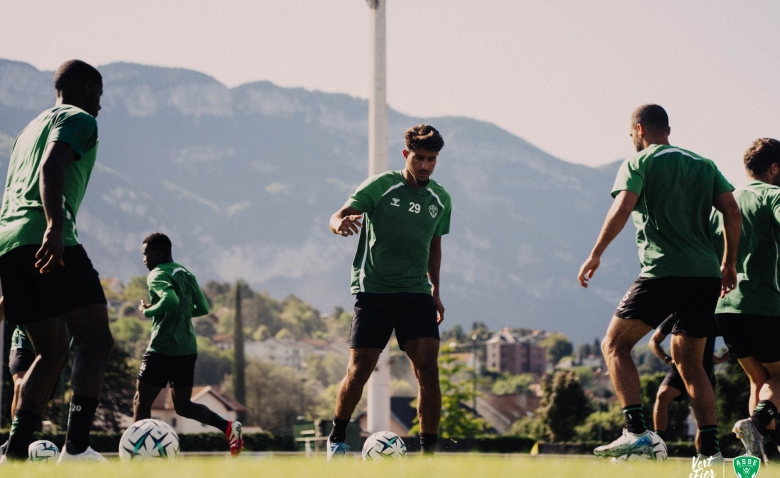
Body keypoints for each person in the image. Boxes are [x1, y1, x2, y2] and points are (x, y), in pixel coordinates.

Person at [578, 104, 741, 461]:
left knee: (614, 345)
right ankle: (710, 454)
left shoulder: (640, 161)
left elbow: (623, 207)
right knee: (692, 364)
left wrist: (596, 253)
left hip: (664, 270)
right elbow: (732, 210)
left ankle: (636, 432)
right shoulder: (704, 163)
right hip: (706, 275)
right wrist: (728, 262)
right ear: (667, 127)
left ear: (638, 129)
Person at [0, 60, 114, 463]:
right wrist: (53, 227)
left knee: (51, 351)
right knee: (96, 338)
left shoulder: (26, 130)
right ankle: (78, 447)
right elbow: (52, 165)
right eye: (99, 95)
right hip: (45, 236)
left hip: (9, 243)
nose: (100, 106)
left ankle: (12, 454)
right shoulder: (79, 118)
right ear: (86, 89)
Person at [326, 124, 451, 458]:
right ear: (405, 154)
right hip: (375, 292)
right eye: (419, 158)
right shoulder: (381, 186)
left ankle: (428, 456)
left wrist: (436, 291)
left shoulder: (441, 199)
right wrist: (339, 224)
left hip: (417, 294)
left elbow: (434, 245)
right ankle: (337, 438)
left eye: (432, 159)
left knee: (428, 367)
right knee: (360, 370)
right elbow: (339, 214)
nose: (425, 165)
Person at [133, 232, 244, 457]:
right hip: (187, 350)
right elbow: (203, 308)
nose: (144, 259)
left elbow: (171, 299)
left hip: (162, 347)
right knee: (183, 406)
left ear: (157, 252)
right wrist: (181, 314)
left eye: (145, 254)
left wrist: (148, 311)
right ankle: (228, 427)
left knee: (141, 401)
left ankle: (140, 453)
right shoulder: (185, 272)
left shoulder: (156, 274)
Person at [711, 138, 780, 463]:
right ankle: (755, 424)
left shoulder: (725, 202)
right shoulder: (773, 196)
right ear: (774, 168)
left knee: (759, 380)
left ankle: (760, 458)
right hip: (763, 304)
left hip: (726, 307)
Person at [649, 315, 728, 447]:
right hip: (680, 367)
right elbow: (654, 341)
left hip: (704, 371)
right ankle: (658, 443)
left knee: (703, 415)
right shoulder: (677, 313)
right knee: (662, 395)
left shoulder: (713, 317)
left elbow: (739, 336)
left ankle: (703, 453)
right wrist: (667, 359)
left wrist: (722, 359)